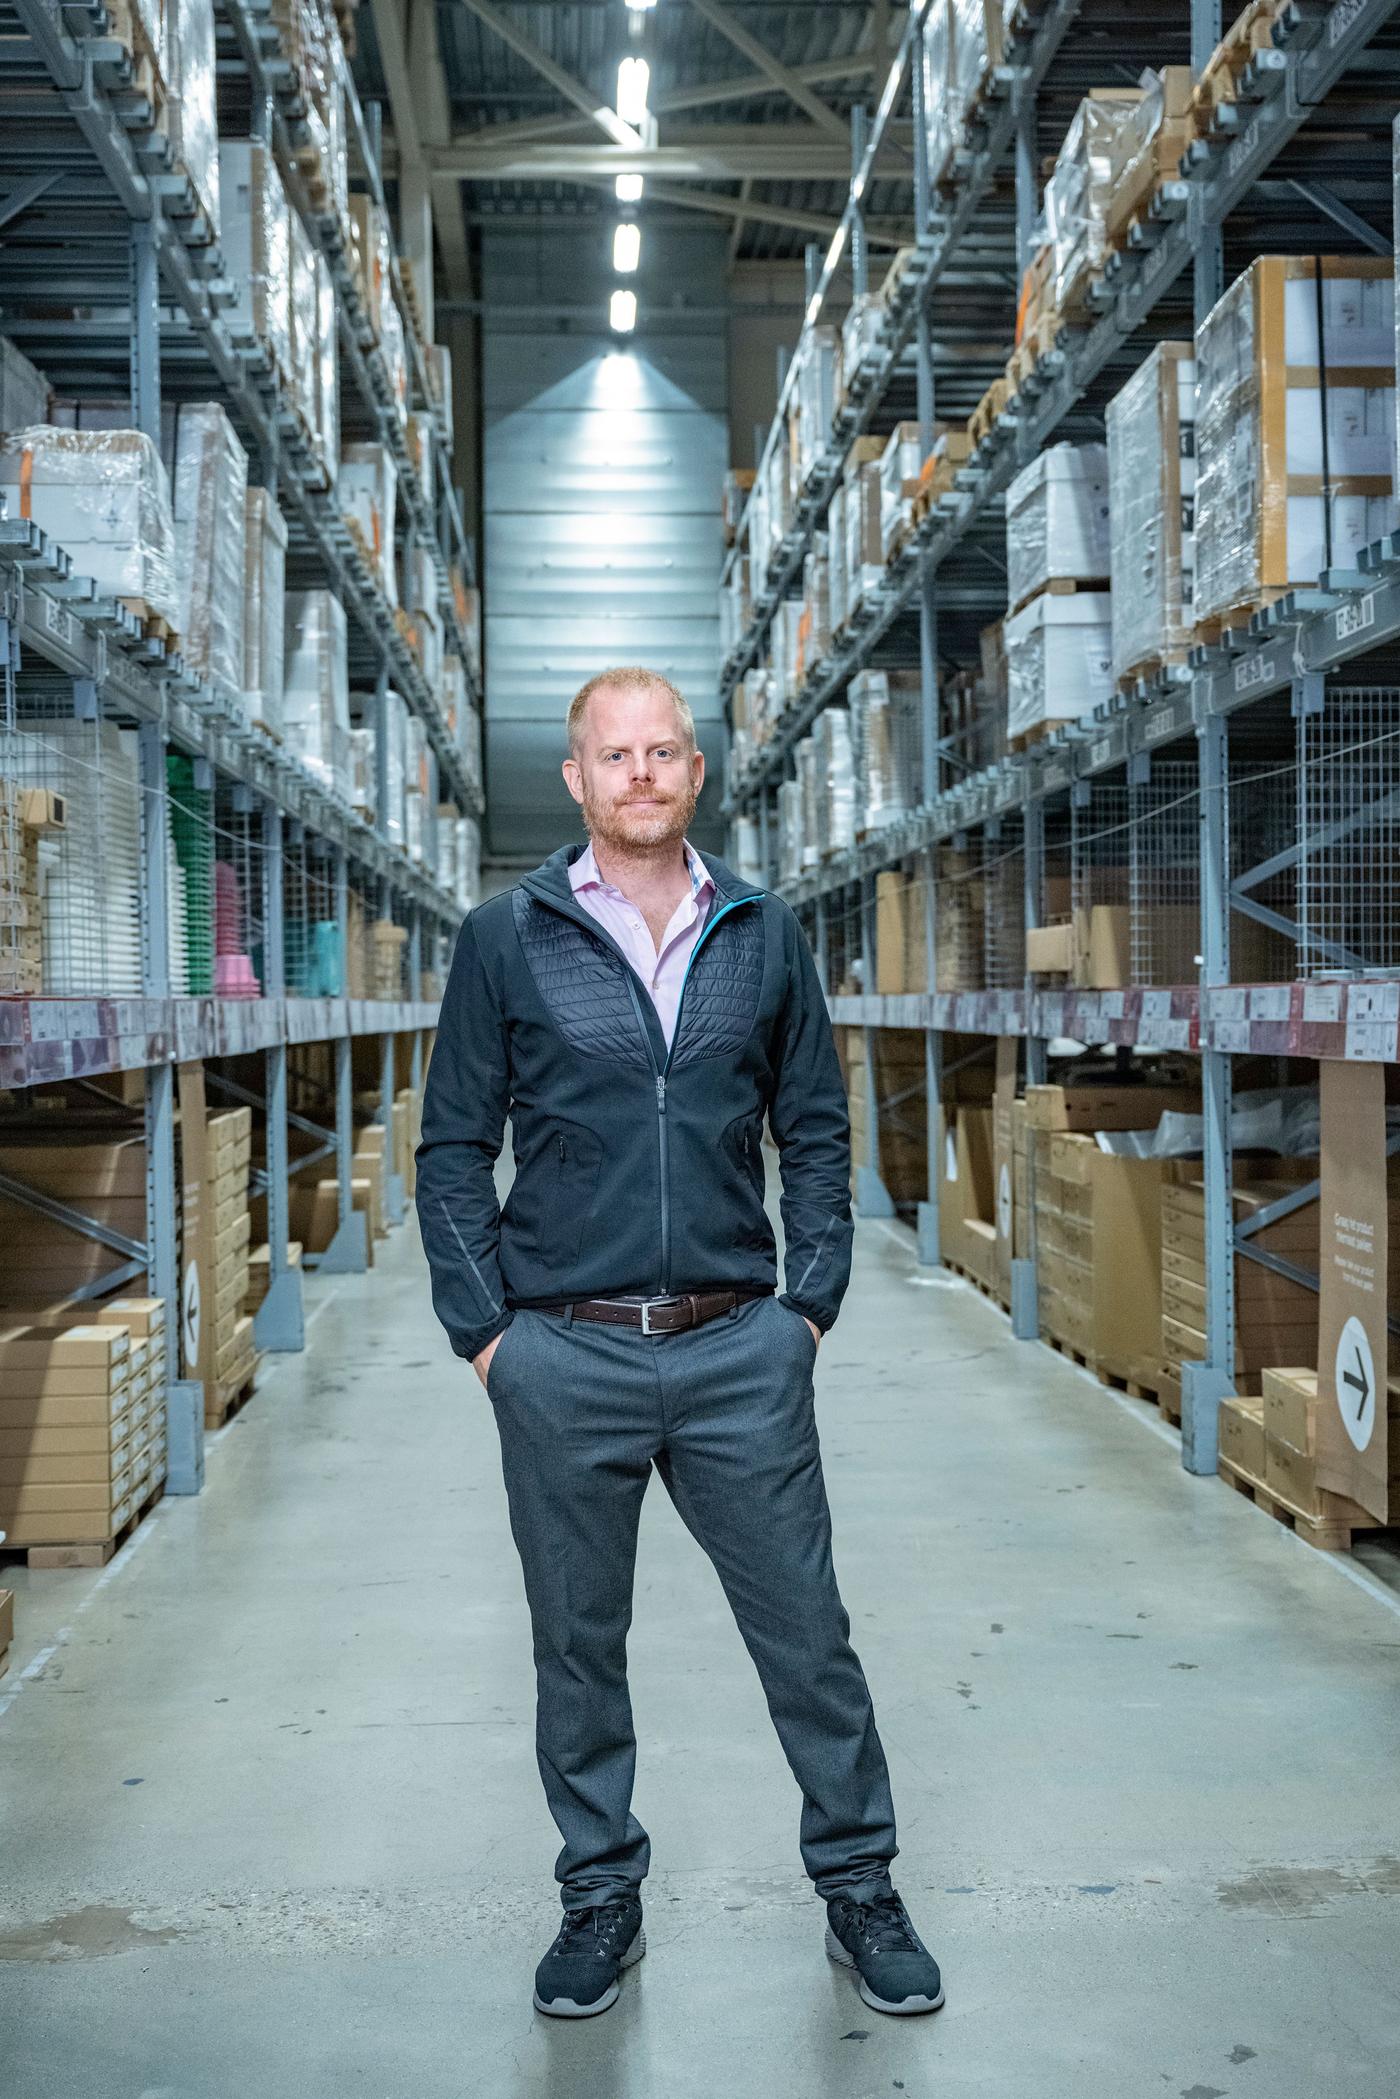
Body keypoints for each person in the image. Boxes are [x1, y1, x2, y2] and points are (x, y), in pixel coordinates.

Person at [416, 666, 944, 2021]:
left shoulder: (761, 931)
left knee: (808, 1636)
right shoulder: (505, 937)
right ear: (577, 779)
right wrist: (489, 1338)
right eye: (616, 755)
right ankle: (599, 1895)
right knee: (577, 1648)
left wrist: (805, 1311)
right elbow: (452, 1148)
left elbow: (815, 1128)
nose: (641, 773)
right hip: (563, 1353)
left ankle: (860, 1884)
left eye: (663, 752)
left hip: (735, 1354)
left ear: (696, 772)